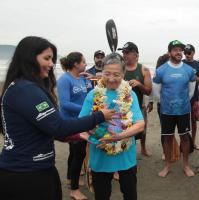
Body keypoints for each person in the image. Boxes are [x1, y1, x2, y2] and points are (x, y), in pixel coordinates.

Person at [0, 36, 115, 200]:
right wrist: (99, 116)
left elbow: (50, 128)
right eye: (46, 58)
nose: (51, 64)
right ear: (28, 58)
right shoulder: (26, 89)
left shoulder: (22, 87)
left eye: (52, 59)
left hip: (38, 169)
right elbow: (58, 126)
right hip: (25, 174)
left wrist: (78, 135)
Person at [79, 53, 145, 200]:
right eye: (107, 73)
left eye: (116, 74)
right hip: (100, 153)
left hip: (125, 153)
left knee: (130, 194)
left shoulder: (130, 94)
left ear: (123, 73)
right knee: (102, 195)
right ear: (101, 72)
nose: (111, 78)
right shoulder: (92, 95)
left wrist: (118, 136)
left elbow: (140, 124)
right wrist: (92, 137)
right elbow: (81, 125)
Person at [153, 40, 196, 177]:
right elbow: (156, 92)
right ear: (169, 52)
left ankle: (186, 165)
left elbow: (190, 92)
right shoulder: (161, 70)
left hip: (183, 110)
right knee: (167, 138)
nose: (179, 52)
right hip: (166, 111)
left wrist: (180, 103)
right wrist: (167, 103)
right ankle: (167, 166)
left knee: (185, 138)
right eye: (175, 50)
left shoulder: (188, 70)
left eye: (180, 50)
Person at [58, 52, 92, 200]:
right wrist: (85, 110)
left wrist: (90, 81)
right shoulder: (64, 79)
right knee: (79, 153)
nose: (85, 64)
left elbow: (90, 95)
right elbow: (64, 104)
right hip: (70, 121)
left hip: (81, 120)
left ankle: (70, 178)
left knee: (75, 152)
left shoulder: (82, 78)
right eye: (83, 62)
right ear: (76, 64)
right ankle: (74, 190)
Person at [119, 42, 153, 157]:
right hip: (122, 108)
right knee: (126, 131)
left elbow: (149, 91)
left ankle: (143, 148)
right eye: (123, 52)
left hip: (139, 105)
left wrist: (139, 84)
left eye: (127, 52)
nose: (124, 55)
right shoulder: (120, 69)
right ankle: (128, 151)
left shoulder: (144, 70)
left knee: (142, 130)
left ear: (136, 55)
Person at [183, 44, 199, 151]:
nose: (187, 55)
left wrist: (193, 76)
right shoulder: (180, 64)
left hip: (194, 98)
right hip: (182, 98)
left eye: (189, 52)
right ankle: (185, 143)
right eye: (185, 53)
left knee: (194, 121)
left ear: (193, 52)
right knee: (183, 122)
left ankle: (194, 142)